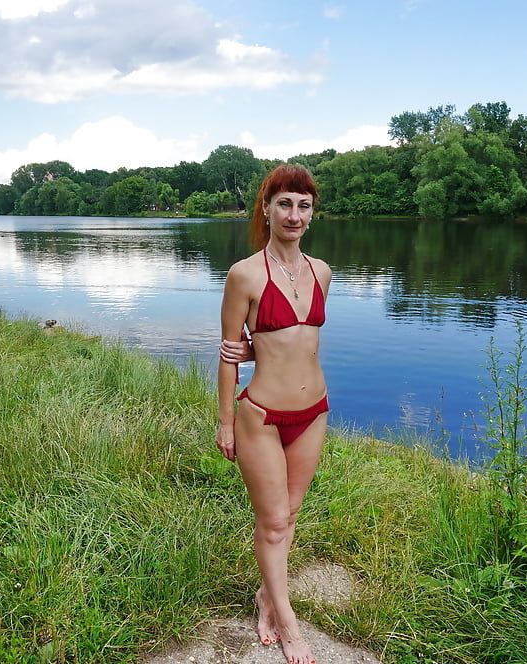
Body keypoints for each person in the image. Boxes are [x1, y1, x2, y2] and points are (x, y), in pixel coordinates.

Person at [217, 164, 331, 664]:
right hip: (260, 415)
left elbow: (299, 346)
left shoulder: (321, 271)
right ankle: (285, 620)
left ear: (313, 213)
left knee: (291, 515)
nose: (294, 214)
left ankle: (268, 594)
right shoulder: (244, 274)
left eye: (303, 205)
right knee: (274, 523)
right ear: (266, 209)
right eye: (284, 203)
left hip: (314, 412)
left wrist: (259, 350)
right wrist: (224, 421)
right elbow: (227, 354)